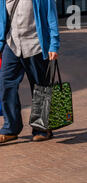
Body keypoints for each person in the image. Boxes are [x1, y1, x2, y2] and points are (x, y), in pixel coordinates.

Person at [0, 0, 60, 144]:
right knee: (5, 84)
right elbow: (2, 19)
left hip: (35, 45)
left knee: (40, 87)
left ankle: (42, 128)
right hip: (12, 44)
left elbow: (51, 17)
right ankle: (11, 128)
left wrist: (54, 44)